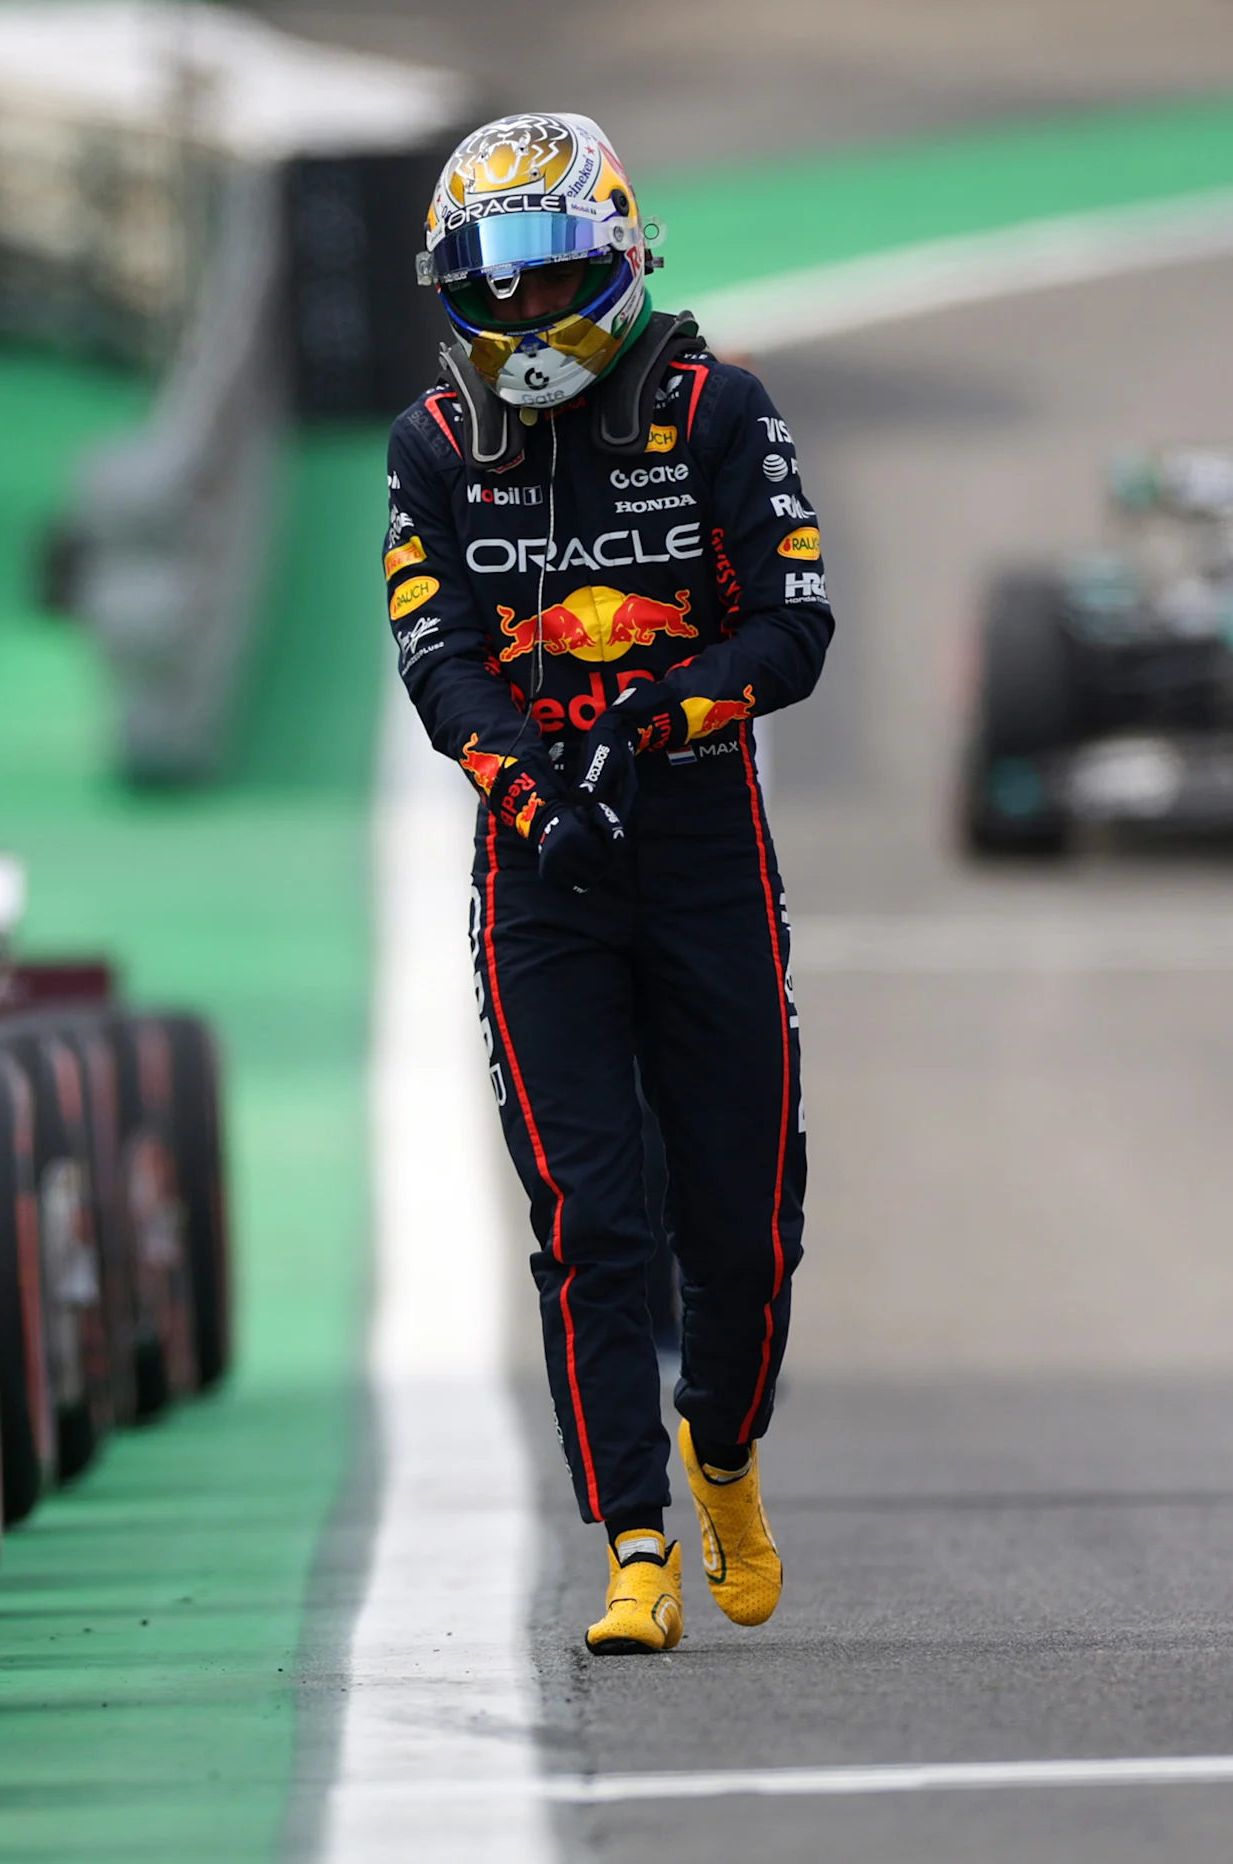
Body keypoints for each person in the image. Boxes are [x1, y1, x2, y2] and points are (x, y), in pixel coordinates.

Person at [388, 113, 833, 1655]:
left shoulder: (720, 408)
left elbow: (796, 627)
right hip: (541, 873)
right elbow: (435, 659)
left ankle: (722, 1454)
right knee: (592, 1213)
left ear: (618, 252)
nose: (518, 313)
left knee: (743, 1218)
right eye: (486, 286)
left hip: (703, 846)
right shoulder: (436, 448)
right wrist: (532, 786)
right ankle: (632, 1543)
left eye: (545, 276)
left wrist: (655, 725)